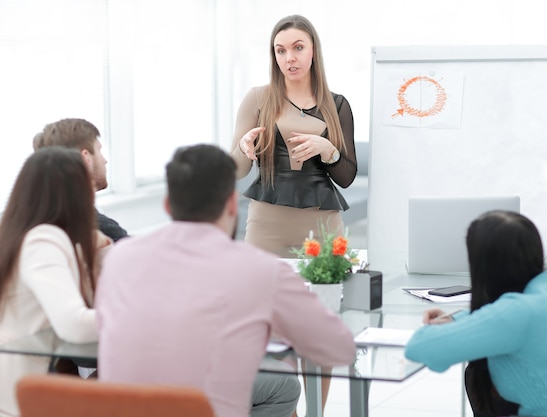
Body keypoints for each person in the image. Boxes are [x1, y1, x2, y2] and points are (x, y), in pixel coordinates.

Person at [95, 144, 356, 417]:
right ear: (232, 203)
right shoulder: (261, 270)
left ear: (167, 204)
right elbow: (339, 349)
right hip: (200, 405)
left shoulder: (120, 257)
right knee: (285, 386)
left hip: (128, 407)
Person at [404, 210, 547, 417]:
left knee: (477, 374)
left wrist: (453, 324)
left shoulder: (518, 313)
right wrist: (455, 320)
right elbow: (500, 320)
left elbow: (419, 347)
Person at [231, 14, 357, 258]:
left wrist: (328, 150)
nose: (289, 58)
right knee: (259, 294)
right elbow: (237, 171)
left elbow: (347, 177)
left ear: (313, 51)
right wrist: (243, 145)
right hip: (265, 227)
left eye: (298, 47)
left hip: (323, 227)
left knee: (326, 295)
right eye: (280, 51)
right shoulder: (257, 99)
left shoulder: (337, 105)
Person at [0, 147, 110, 417]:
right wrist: (141, 319)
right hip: (21, 397)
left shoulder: (25, 235)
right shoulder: (43, 240)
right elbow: (75, 324)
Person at [33, 118, 129, 242]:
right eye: (99, 150)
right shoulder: (100, 229)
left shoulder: (40, 221)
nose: (105, 160)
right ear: (86, 158)